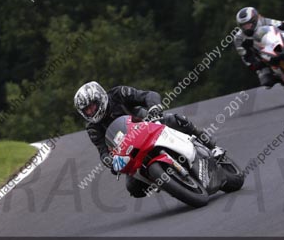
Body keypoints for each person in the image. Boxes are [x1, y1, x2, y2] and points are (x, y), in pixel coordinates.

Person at [74, 81, 222, 198]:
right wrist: (111, 163)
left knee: (178, 120)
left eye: (92, 106)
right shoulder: (93, 128)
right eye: (86, 110)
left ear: (99, 98)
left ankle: (211, 146)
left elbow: (147, 95)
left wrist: (154, 108)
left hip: (149, 125)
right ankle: (169, 183)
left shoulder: (118, 93)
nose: (91, 111)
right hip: (131, 151)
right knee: (133, 188)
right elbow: (102, 151)